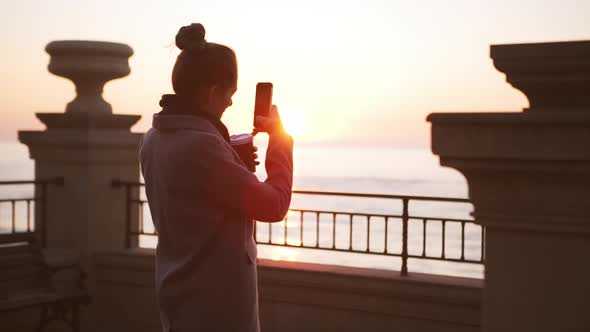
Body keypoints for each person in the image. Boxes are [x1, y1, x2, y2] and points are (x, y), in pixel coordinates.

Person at [139, 23, 294, 332]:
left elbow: (196, 194)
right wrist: (280, 140)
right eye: (229, 94)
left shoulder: (153, 138)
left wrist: (231, 157)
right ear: (212, 92)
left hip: (178, 293)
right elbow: (274, 205)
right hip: (217, 306)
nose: (230, 103)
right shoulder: (202, 146)